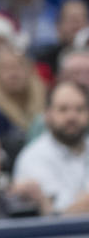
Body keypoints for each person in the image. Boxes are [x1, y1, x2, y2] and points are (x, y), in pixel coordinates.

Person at [12, 80, 89, 215]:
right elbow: (57, 213)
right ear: (48, 114)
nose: (72, 116)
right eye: (63, 109)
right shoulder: (33, 157)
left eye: (79, 109)